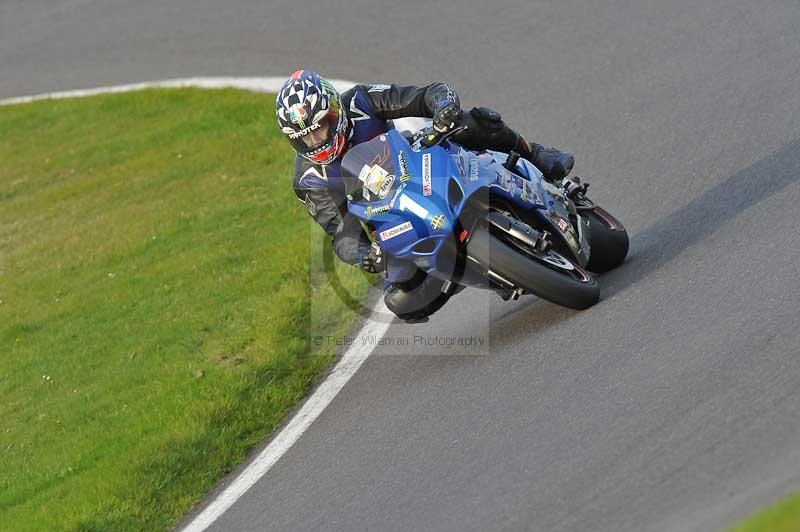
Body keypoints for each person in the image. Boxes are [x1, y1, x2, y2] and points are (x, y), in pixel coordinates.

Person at [276, 69, 578, 322]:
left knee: (474, 121)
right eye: (305, 138)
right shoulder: (309, 180)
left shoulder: (359, 101)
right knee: (400, 300)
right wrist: (364, 254)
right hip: (393, 218)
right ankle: (490, 272)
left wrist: (443, 107)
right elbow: (342, 234)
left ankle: (537, 156)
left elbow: (425, 95)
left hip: (415, 161)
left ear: (334, 109)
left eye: (322, 127)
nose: (317, 140)